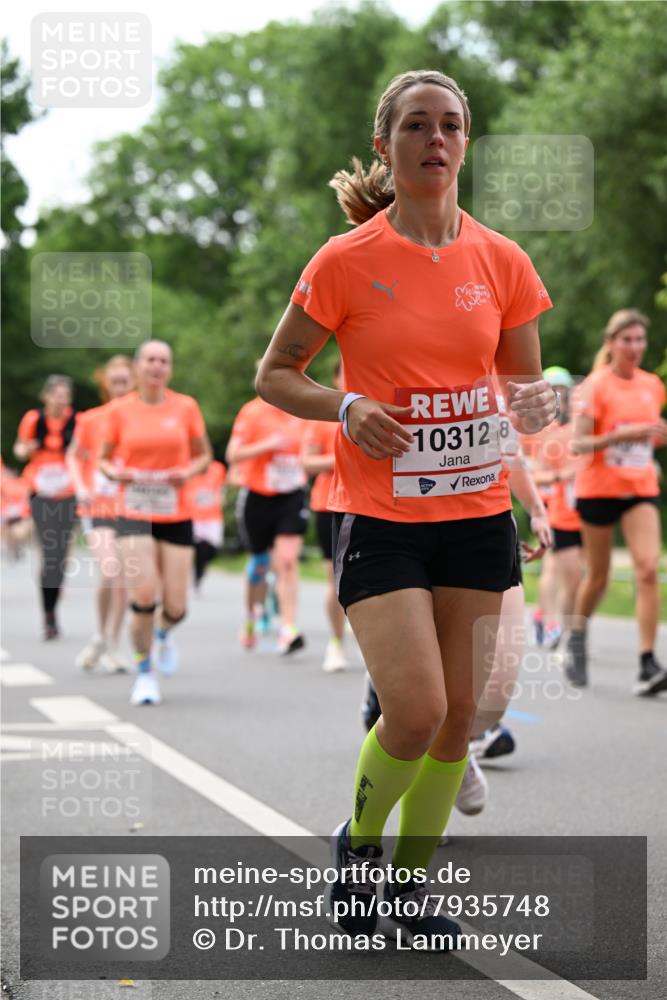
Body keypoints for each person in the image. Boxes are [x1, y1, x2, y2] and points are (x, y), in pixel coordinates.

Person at [256, 69, 555, 947]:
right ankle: (359, 846)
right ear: (384, 143)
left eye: (451, 125)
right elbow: (276, 376)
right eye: (417, 125)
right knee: (415, 710)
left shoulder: (503, 261)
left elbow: (520, 386)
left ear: (466, 143)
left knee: (459, 718)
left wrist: (534, 409)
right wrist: (346, 407)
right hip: (380, 517)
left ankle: (411, 888)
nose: (436, 139)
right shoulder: (344, 261)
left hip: (474, 515)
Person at [99, 340, 211, 706]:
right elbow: (103, 460)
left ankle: (162, 634)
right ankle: (144, 672)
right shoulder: (119, 411)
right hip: (133, 511)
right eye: (150, 360)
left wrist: (186, 472)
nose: (157, 366)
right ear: (137, 367)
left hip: (176, 511)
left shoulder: (185, 407)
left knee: (176, 607)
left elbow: (204, 456)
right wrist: (116, 473)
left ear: (170, 369)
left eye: (164, 360)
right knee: (144, 597)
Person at [566, 309, 667, 695]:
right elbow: (579, 443)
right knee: (599, 575)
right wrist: (622, 436)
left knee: (646, 568)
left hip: (639, 487)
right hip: (599, 489)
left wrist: (653, 437)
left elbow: (647, 436)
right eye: (627, 339)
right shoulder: (594, 386)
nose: (635, 347)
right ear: (611, 343)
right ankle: (576, 635)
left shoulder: (653, 385)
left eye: (640, 339)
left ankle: (647, 662)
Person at [67, 355, 135, 672]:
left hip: (133, 505)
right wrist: (80, 484)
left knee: (123, 577)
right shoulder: (91, 419)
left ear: (134, 380)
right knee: (109, 570)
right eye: (115, 381)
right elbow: (73, 456)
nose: (120, 386)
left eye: (125, 380)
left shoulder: (141, 417)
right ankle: (100, 633)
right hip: (99, 505)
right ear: (105, 383)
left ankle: (111, 643)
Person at [226, 395, 308, 655]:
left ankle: (288, 629)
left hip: (292, 496)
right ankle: (251, 616)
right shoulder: (252, 412)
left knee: (287, 560)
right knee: (259, 565)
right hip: (258, 496)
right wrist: (267, 445)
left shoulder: (304, 406)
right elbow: (232, 454)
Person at [14, 375, 78, 639]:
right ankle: (49, 615)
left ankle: (53, 591)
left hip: (67, 492)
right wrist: (25, 449)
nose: (60, 400)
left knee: (60, 554)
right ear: (46, 396)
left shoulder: (77, 422)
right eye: (56, 395)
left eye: (65, 396)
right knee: (49, 550)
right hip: (40, 491)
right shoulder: (34, 419)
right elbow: (19, 448)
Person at [530, 367, 583, 649]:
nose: (559, 395)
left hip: (565, 502)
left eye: (563, 390)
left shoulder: (567, 427)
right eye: (554, 390)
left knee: (564, 567)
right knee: (552, 563)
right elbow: (524, 466)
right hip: (540, 502)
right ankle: (550, 622)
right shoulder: (533, 422)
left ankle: (546, 616)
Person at [302, 360, 348, 671]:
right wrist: (342, 458)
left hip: (371, 504)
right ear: (336, 378)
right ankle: (335, 642)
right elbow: (306, 463)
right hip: (329, 504)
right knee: (336, 579)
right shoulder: (322, 414)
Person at [186, 458, 226, 591]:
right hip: (194, 515)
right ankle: (197, 572)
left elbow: (221, 488)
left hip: (213, 516)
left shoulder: (218, 468)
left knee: (212, 548)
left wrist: (220, 499)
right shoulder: (188, 466)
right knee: (195, 547)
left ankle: (201, 567)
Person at [0, 460, 32, 560]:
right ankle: (8, 547)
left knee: (20, 529)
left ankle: (16, 547)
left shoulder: (22, 484)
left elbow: (27, 501)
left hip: (19, 514)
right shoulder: (3, 484)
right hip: (5, 513)